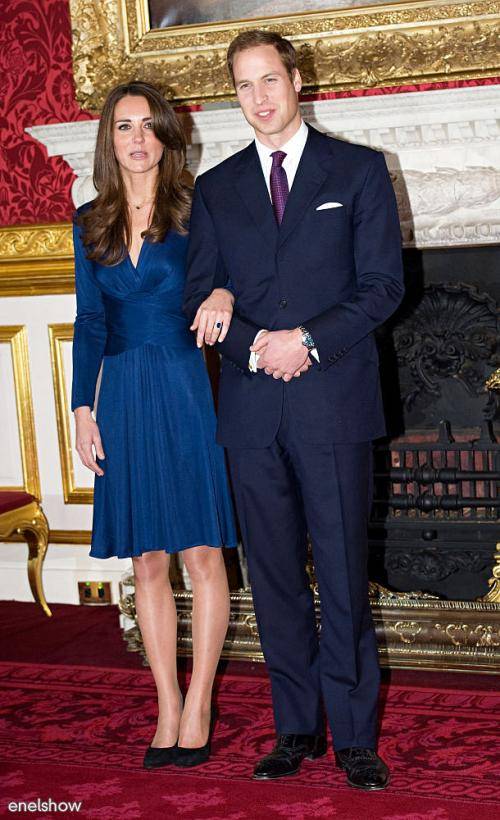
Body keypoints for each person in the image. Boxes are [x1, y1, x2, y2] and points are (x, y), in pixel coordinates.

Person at [183, 31, 404, 790]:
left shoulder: (358, 170)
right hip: (249, 412)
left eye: (269, 80)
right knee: (274, 577)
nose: (259, 98)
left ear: (297, 80)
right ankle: (296, 728)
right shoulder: (215, 189)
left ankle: (354, 738)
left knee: (341, 575)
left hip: (334, 403)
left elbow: (383, 287)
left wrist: (305, 341)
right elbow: (200, 293)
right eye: (244, 86)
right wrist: (253, 345)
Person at [71, 81, 237, 771]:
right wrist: (81, 409)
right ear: (110, 140)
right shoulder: (89, 220)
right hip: (124, 398)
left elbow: (237, 280)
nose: (137, 138)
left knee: (201, 554)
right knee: (147, 559)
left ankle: (200, 701)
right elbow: (90, 322)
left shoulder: (201, 210)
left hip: (187, 385)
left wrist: (225, 291)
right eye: (123, 126)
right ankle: (166, 701)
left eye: (148, 126)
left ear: (168, 136)